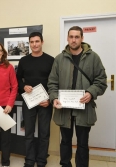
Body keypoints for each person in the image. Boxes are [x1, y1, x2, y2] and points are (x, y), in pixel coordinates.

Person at [47, 26, 107, 167]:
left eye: (77, 37)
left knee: (82, 143)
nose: (73, 40)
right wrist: (54, 97)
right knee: (65, 142)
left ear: (82, 38)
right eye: (71, 37)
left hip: (84, 110)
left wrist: (91, 93)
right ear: (67, 38)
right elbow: (52, 82)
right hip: (64, 110)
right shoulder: (59, 59)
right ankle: (65, 164)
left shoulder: (93, 57)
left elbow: (101, 80)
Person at [16, 32, 54, 167]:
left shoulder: (50, 60)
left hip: (45, 102)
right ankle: (30, 160)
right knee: (29, 132)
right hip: (29, 101)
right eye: (31, 42)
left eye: (37, 41)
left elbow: (55, 82)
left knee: (44, 133)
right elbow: (17, 79)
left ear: (42, 42)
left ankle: (42, 160)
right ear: (29, 44)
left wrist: (50, 98)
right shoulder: (24, 60)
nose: (34, 44)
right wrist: (23, 86)